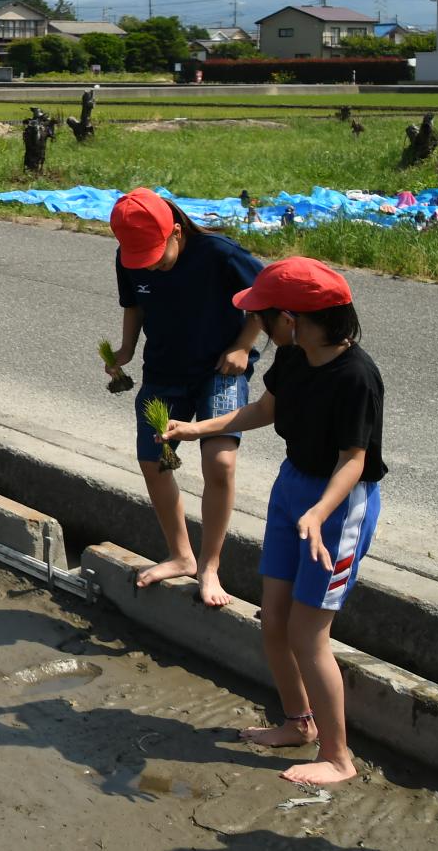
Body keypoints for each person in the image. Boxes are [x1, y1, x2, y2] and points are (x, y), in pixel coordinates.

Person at [161, 258, 384, 787]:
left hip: (338, 506)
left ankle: (338, 758)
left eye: (263, 316)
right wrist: (197, 429)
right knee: (275, 619)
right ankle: (296, 722)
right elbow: (263, 409)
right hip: (293, 491)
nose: (257, 325)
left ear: (296, 317)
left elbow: (354, 460)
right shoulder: (294, 357)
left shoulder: (357, 376)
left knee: (308, 634)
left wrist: (320, 511)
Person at [108, 186, 264, 608]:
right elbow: (134, 308)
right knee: (153, 460)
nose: (151, 268)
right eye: (141, 261)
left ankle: (210, 565)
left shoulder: (219, 254)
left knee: (220, 461)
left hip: (219, 368)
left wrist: (244, 345)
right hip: (164, 370)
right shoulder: (129, 259)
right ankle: (182, 555)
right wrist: (125, 350)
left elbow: (266, 300)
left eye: (157, 256)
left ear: (176, 231)